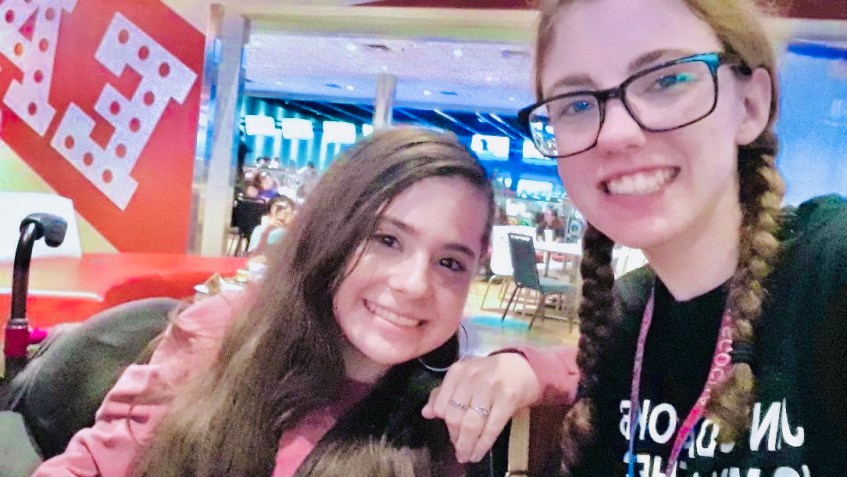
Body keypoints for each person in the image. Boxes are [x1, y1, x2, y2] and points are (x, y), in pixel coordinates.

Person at [427, 0, 847, 475]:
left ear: (750, 105)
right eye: (577, 104)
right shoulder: (625, 320)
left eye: (666, 80)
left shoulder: (829, 271)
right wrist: (526, 368)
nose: (616, 134)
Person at [32, 127, 548, 477]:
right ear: (331, 232)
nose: (414, 284)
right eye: (386, 240)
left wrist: (531, 369)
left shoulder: (446, 414)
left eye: (450, 262)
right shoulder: (222, 334)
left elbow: (586, 367)